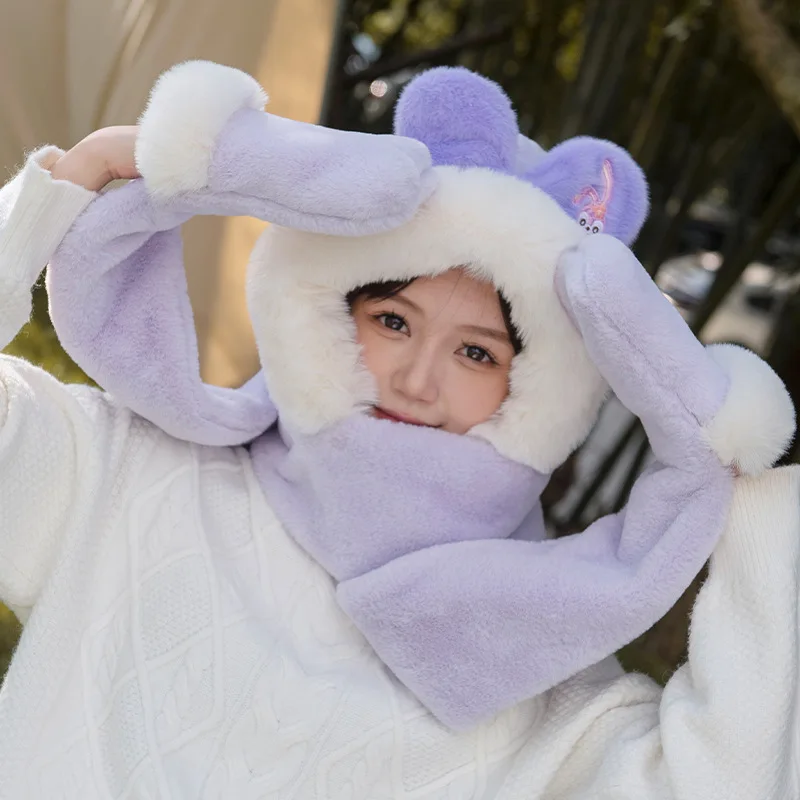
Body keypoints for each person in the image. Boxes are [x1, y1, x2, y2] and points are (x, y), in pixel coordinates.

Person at [0, 61, 797, 799]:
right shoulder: (118, 474)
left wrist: (739, 470)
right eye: (391, 319)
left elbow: (735, 778)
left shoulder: (534, 680)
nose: (417, 380)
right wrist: (69, 188)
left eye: (478, 352)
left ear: (540, 394)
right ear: (323, 308)